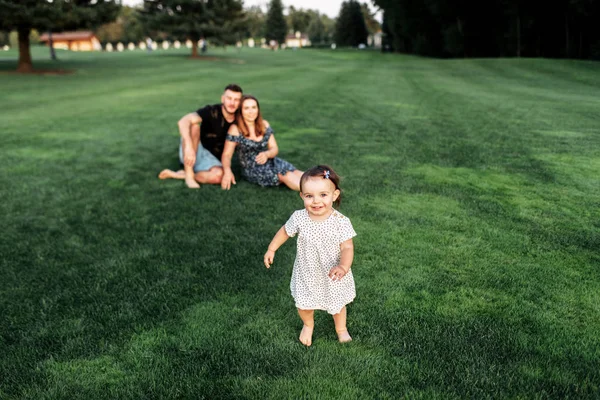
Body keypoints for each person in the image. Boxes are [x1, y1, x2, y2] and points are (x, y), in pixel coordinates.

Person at [263, 166, 357, 346]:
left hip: (333, 273)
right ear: (302, 196)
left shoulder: (341, 222)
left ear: (334, 195)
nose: (316, 201)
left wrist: (343, 267)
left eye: (323, 195)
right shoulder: (299, 218)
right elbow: (285, 231)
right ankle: (308, 324)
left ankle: (341, 329)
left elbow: (347, 247)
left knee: (337, 304)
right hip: (307, 271)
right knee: (304, 304)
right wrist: (272, 248)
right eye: (309, 196)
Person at [158, 84, 243, 188]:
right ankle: (189, 176)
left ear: (240, 103)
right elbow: (183, 121)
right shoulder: (212, 111)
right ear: (223, 99)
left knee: (219, 176)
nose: (232, 103)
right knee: (194, 127)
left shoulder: (240, 119)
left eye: (236, 100)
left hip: (212, 160)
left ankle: (179, 175)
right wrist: (189, 147)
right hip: (195, 150)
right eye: (229, 98)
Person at [220, 95, 303, 191]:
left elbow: (274, 148)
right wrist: (227, 171)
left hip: (271, 161)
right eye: (246, 108)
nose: (251, 111)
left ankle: (324, 179)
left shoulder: (264, 124)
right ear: (241, 111)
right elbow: (226, 155)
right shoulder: (235, 129)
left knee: (298, 173)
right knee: (286, 175)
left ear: (258, 109)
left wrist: (267, 154)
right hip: (252, 169)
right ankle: (315, 190)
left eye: (254, 107)